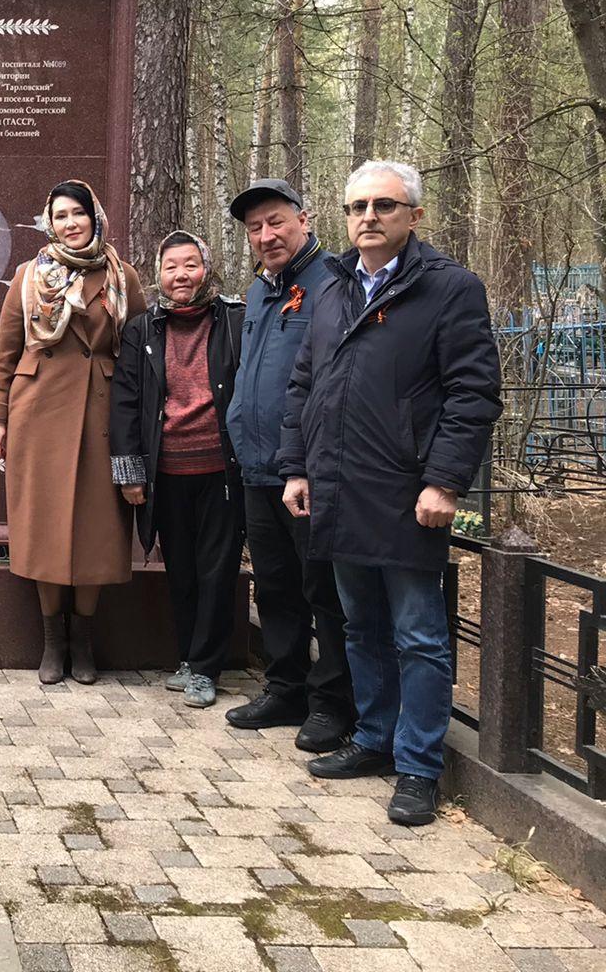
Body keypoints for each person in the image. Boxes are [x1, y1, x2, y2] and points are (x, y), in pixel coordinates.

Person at [279, 160, 501, 827]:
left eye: (383, 205)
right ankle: (374, 740)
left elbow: (473, 392)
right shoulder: (331, 286)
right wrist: (298, 468)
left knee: (419, 635)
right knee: (361, 625)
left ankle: (419, 767)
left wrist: (444, 480)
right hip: (339, 487)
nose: (368, 217)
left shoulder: (450, 288)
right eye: (357, 207)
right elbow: (304, 385)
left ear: (413, 216)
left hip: (408, 492)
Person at [0, 180, 146, 685]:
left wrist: (137, 418)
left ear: (95, 217)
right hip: (40, 411)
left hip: (102, 413)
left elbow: (138, 352)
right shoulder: (29, 277)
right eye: (60, 216)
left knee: (97, 528)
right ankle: (52, 641)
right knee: (44, 525)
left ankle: (84, 640)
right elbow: (6, 348)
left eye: (79, 213)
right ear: (48, 223)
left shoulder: (124, 276)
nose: (71, 223)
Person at [223, 178, 355, 753]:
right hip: (256, 465)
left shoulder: (333, 285)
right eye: (255, 228)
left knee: (322, 588)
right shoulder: (258, 294)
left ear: (304, 218)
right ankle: (286, 686)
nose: (266, 235)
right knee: (275, 587)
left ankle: (332, 702)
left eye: (276, 221)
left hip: (308, 470)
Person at [111, 232, 245, 708]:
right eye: (171, 266)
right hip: (167, 472)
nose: (181, 275)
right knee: (182, 570)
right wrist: (129, 472)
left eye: (190, 265)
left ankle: (207, 668)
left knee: (217, 569)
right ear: (160, 273)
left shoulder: (235, 320)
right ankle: (188, 656)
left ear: (205, 269)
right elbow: (125, 403)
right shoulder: (142, 330)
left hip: (221, 470)